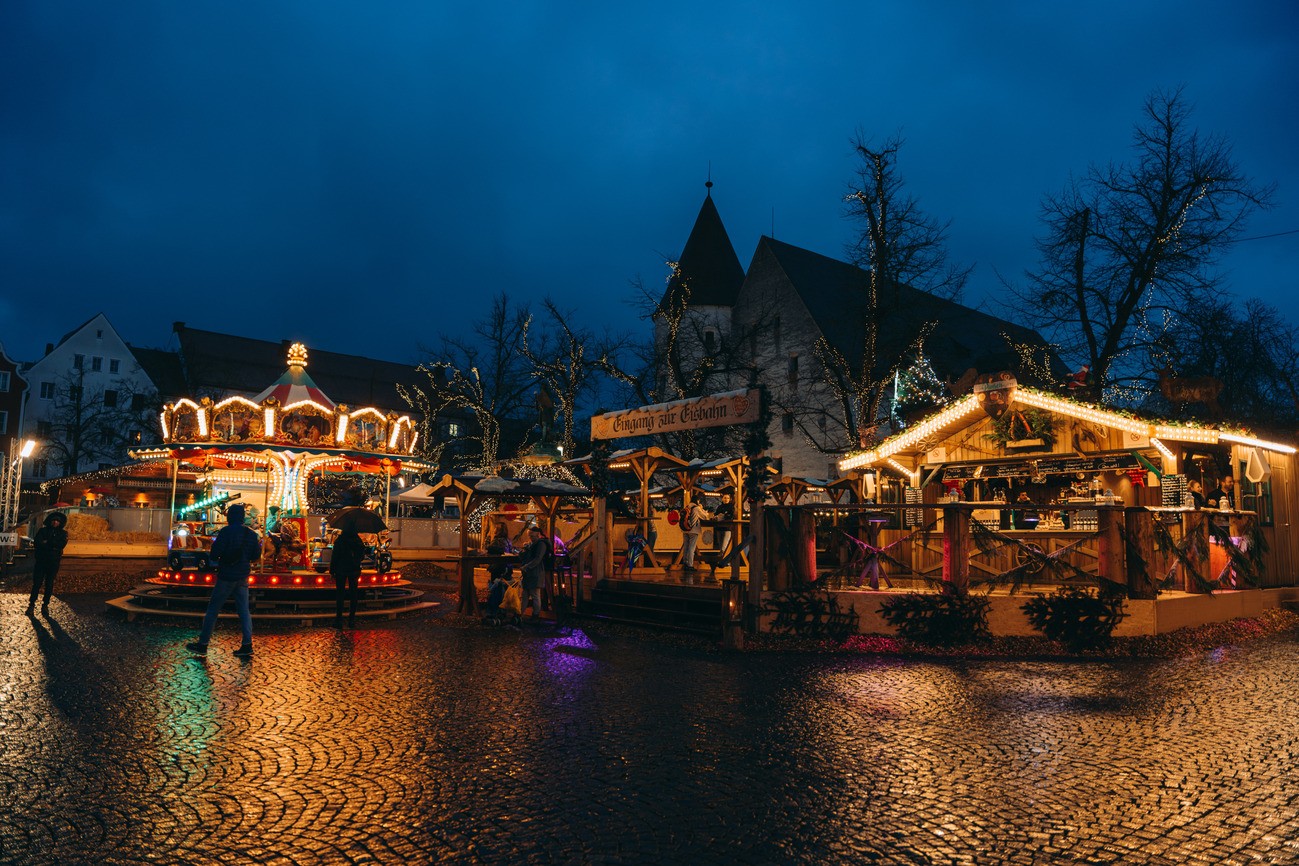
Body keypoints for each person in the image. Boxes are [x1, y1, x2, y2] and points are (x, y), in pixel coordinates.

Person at [186, 504, 261, 658]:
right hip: (242, 577)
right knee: (244, 611)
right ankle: (247, 644)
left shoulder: (225, 532)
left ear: (229, 517)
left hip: (226, 576)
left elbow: (214, 554)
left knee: (213, 610)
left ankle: (203, 644)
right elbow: (255, 555)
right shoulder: (251, 534)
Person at [27, 512, 69, 616]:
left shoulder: (63, 533)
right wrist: (51, 544)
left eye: (57, 521)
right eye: (54, 520)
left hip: (53, 563)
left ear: (60, 523)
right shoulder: (43, 531)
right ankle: (31, 604)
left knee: (49, 584)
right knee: (37, 583)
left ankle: (45, 605)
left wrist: (47, 542)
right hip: (41, 561)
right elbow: (37, 543)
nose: (55, 522)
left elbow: (60, 545)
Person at [330, 526, 367, 629]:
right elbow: (362, 556)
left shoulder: (340, 540)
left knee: (340, 594)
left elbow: (335, 556)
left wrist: (332, 570)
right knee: (353, 594)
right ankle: (351, 620)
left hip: (341, 569)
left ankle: (339, 620)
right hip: (354, 570)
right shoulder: (358, 541)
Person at [518, 525, 551, 620]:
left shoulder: (541, 544)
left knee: (535, 594)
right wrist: (524, 549)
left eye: (532, 536)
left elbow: (538, 558)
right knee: (525, 594)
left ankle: (535, 614)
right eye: (529, 536)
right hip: (528, 572)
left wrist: (526, 566)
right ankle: (520, 613)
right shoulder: (531, 544)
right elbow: (523, 556)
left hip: (536, 572)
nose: (530, 538)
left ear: (538, 535)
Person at [680, 499, 710, 573]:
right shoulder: (696, 508)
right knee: (691, 548)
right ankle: (690, 565)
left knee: (686, 546)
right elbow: (705, 517)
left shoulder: (687, 506)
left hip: (685, 529)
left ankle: (685, 563)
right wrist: (702, 509)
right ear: (697, 501)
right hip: (693, 530)